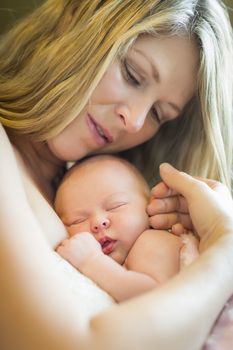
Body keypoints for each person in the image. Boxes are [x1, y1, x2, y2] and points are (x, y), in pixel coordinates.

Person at [0, 0, 232, 349]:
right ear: (76, 19)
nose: (136, 121)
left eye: (158, 113)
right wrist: (225, 250)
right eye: (133, 75)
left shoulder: (106, 198)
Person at [55, 154, 199, 302]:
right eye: (78, 220)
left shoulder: (154, 240)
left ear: (150, 206)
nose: (98, 222)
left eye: (116, 205)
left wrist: (92, 261)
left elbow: (154, 299)